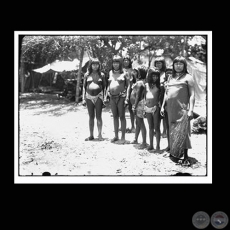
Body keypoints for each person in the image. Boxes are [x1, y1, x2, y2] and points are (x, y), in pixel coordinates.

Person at [161, 56, 195, 166]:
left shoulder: (188, 77)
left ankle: (185, 156)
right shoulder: (170, 77)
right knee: (172, 130)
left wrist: (191, 110)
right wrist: (162, 106)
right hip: (170, 109)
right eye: (176, 64)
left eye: (181, 64)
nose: (178, 66)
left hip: (182, 109)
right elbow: (167, 93)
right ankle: (174, 153)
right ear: (173, 65)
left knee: (183, 132)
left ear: (184, 66)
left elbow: (192, 95)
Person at [104, 55, 130, 144]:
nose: (115, 64)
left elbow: (129, 85)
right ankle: (116, 136)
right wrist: (105, 95)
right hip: (112, 97)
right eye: (114, 63)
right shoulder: (110, 72)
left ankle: (123, 137)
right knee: (115, 116)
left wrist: (127, 97)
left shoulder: (125, 73)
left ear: (120, 63)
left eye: (117, 63)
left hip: (121, 97)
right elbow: (109, 85)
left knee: (122, 116)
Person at [82, 58, 107, 141]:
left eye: (97, 64)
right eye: (93, 64)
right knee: (91, 116)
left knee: (99, 116)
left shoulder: (102, 75)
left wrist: (105, 98)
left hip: (99, 97)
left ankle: (100, 135)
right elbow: (84, 87)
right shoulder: (87, 74)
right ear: (91, 65)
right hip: (88, 97)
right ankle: (91, 135)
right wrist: (83, 98)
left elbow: (105, 87)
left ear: (99, 65)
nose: (95, 66)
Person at [130, 66, 148, 149]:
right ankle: (136, 138)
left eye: (135, 72)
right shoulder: (140, 82)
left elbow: (138, 96)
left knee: (141, 123)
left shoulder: (140, 83)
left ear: (140, 73)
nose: (133, 73)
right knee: (137, 122)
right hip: (138, 104)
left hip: (139, 104)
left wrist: (135, 106)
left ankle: (144, 142)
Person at [144, 68, 161, 151]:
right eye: (153, 76)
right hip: (147, 108)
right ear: (150, 76)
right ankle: (151, 145)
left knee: (157, 127)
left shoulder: (159, 86)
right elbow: (145, 96)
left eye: (157, 76)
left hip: (155, 108)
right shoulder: (146, 85)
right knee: (150, 127)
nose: (155, 78)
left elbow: (161, 98)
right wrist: (144, 107)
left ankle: (158, 146)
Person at [160, 66, 173, 152]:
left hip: (175, 106)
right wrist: (162, 106)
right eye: (167, 72)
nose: (168, 73)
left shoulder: (176, 82)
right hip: (166, 106)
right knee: (168, 127)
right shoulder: (164, 83)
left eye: (170, 72)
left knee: (173, 127)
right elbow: (165, 95)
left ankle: (174, 146)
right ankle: (169, 145)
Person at [154, 56, 167, 138]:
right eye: (157, 63)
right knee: (156, 113)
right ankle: (156, 130)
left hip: (163, 95)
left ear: (163, 64)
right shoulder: (153, 72)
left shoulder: (166, 73)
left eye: (160, 63)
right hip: (155, 95)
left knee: (164, 113)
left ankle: (164, 131)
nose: (158, 65)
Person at [122, 55, 136, 133]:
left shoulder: (133, 70)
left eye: (127, 60)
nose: (126, 62)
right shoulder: (120, 70)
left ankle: (133, 126)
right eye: (124, 60)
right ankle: (123, 126)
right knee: (121, 109)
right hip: (122, 92)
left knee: (131, 110)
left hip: (131, 91)